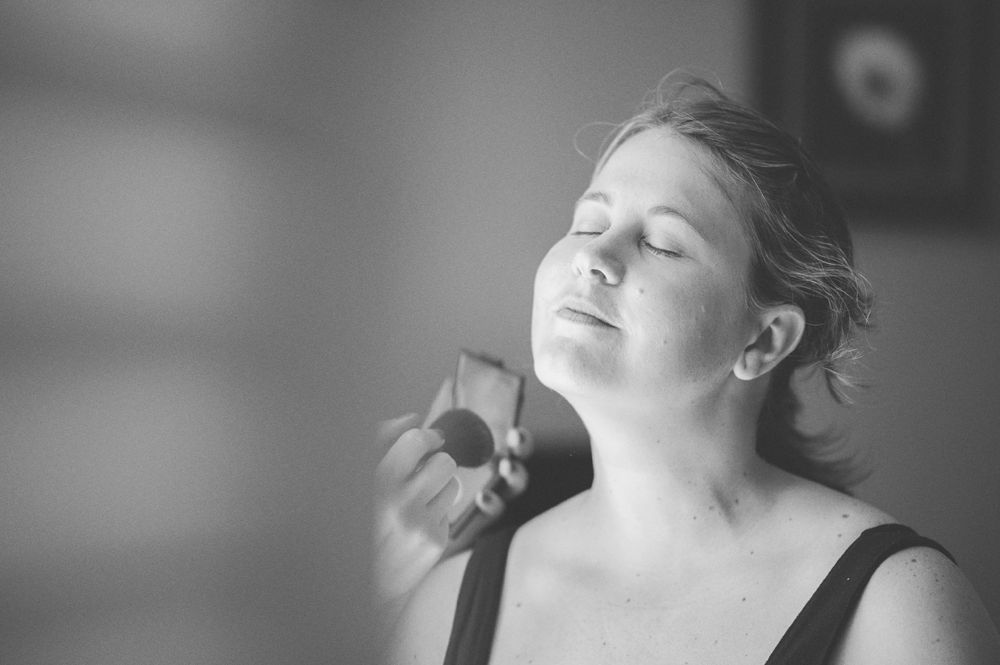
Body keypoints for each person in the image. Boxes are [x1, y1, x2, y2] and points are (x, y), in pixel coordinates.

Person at [373, 76, 1000, 664]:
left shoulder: (899, 607)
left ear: (763, 340)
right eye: (588, 222)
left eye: (662, 243)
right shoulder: (445, 605)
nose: (592, 255)